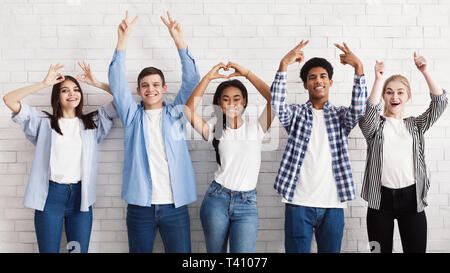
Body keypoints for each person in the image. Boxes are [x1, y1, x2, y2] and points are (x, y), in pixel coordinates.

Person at [107, 11, 200, 253]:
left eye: (156, 85)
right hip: (140, 207)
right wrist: (122, 40)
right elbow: (116, 82)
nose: (151, 89)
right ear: (138, 90)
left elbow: (192, 80)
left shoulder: (177, 113)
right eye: (145, 86)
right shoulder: (131, 116)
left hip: (175, 206)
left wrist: (179, 40)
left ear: (164, 88)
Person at [3, 62, 117, 253]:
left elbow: (123, 98)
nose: (72, 93)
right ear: (57, 96)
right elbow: (9, 99)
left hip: (81, 199)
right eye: (65, 90)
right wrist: (44, 83)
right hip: (50, 198)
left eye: (76, 89)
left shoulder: (93, 123)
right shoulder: (43, 123)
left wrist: (97, 83)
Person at [271, 40, 367, 253]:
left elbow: (359, 109)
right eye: (312, 77)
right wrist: (283, 65)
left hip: (333, 204)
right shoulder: (296, 115)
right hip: (298, 202)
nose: (318, 81)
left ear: (330, 82)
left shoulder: (341, 117)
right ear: (305, 85)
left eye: (323, 76)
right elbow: (277, 104)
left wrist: (359, 68)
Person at [359, 53, 448, 253]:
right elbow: (368, 115)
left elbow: (440, 102)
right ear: (384, 97)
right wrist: (379, 79)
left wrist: (425, 72)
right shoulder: (375, 128)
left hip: (412, 200)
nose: (395, 97)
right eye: (389, 92)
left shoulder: (416, 125)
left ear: (408, 97)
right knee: (378, 251)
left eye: (400, 92)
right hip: (379, 200)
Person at [184, 62, 274, 253]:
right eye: (226, 99)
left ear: (244, 102)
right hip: (217, 199)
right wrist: (208, 77)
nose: (232, 104)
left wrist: (247, 73)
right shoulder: (215, 131)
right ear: (218, 103)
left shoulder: (256, 128)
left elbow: (274, 98)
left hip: (247, 202)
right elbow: (188, 110)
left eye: (236, 99)